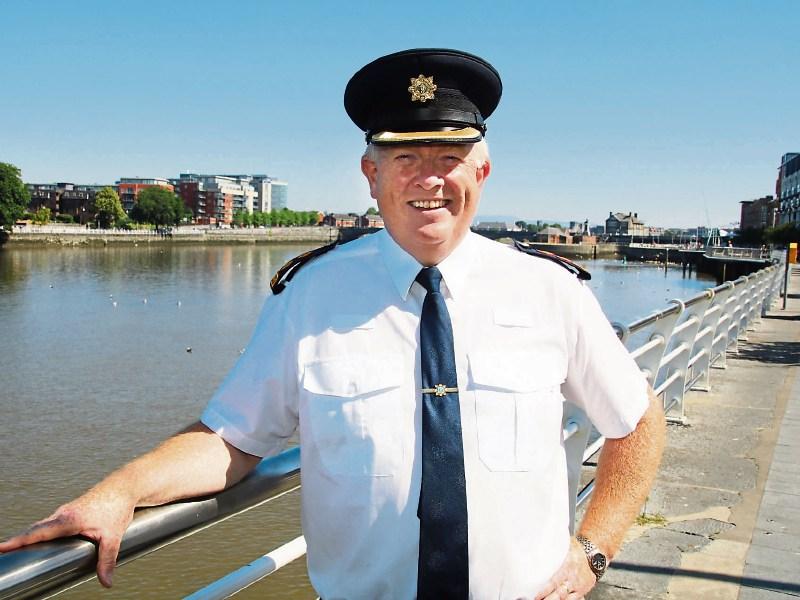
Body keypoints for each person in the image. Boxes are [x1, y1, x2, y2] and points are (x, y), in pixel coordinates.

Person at [0, 49, 665, 599]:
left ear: (482, 169)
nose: (429, 179)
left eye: (448, 155)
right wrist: (120, 491)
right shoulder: (311, 296)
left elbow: (637, 420)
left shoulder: (551, 291)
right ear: (371, 176)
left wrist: (595, 549)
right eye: (407, 158)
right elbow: (232, 439)